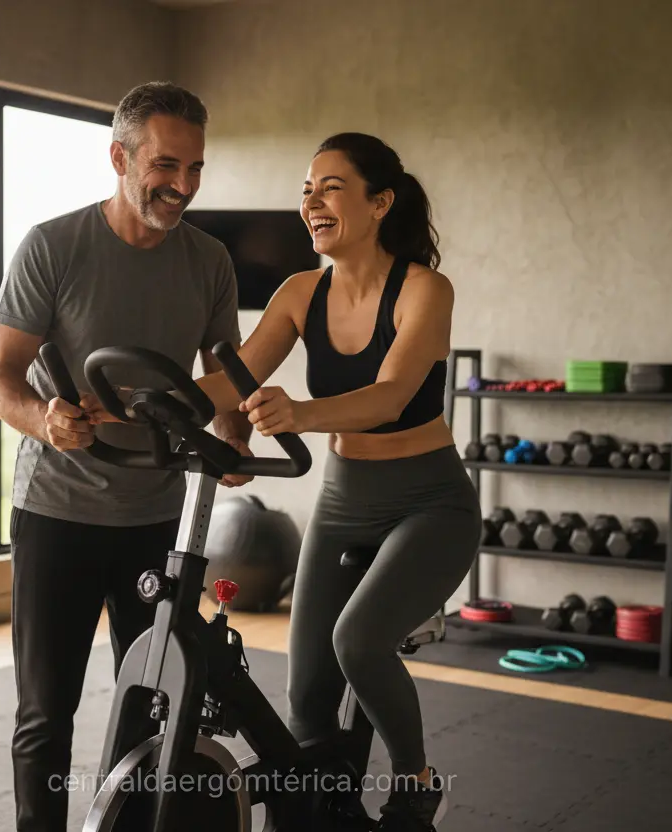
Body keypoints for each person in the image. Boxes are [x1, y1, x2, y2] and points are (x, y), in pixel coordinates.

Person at [187, 132, 482, 831]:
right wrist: (132, 406)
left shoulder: (424, 290)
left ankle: (415, 783)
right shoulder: (299, 292)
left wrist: (302, 411)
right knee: (306, 695)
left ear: (380, 202)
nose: (311, 201)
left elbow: (390, 395)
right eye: (305, 189)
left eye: (330, 186)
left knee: (358, 643)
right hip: (346, 500)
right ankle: (312, 816)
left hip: (430, 504)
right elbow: (229, 382)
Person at [0, 81, 253, 832]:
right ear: (119, 157)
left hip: (158, 516)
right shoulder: (54, 245)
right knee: (46, 711)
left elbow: (226, 378)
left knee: (155, 703)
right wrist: (47, 420)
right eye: (168, 165)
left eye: (196, 168)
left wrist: (234, 440)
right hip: (58, 511)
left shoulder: (209, 261)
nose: (184, 186)